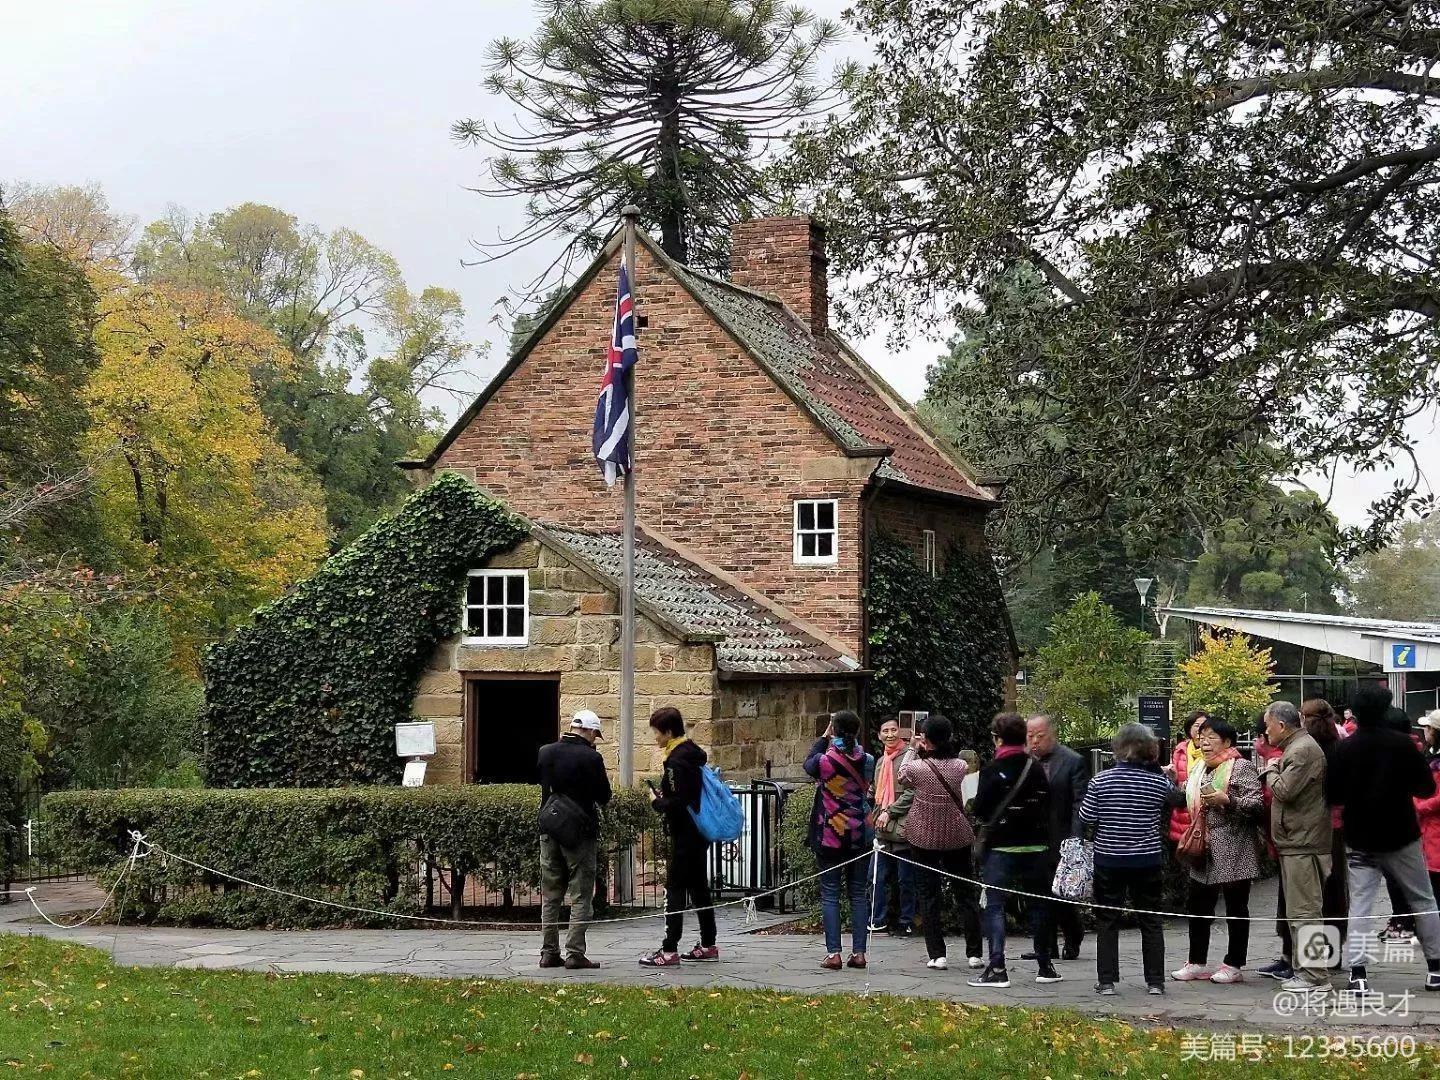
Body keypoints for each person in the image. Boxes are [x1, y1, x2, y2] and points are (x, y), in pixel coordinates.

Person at [1327, 683, 1440, 994]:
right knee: (1422, 898)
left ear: (1357, 713)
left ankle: (1358, 974)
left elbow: (1333, 794)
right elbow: (1426, 789)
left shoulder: (1345, 748)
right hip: (1402, 833)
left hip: (1360, 835)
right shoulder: (1403, 745)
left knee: (1360, 904)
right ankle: (1435, 969)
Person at [1078, 723, 1174, 996]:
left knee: (1107, 919)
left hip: (1109, 858)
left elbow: (1086, 817)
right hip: (1147, 858)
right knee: (1151, 919)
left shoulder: (1101, 781)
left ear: (1118, 748)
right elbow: (1175, 800)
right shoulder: (1158, 782)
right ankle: (1155, 981)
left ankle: (1107, 980)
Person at [966, 712, 1059, 988]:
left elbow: (981, 808)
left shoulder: (993, 770)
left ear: (997, 739)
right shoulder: (1036, 767)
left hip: (1002, 846)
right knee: (1039, 905)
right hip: (1037, 844)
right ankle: (1045, 966)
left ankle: (997, 967)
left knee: (995, 905)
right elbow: (1048, 803)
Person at [1170, 718, 1263, 985]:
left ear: (1227, 742)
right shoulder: (1199, 767)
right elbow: (1185, 798)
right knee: (1198, 906)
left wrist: (1228, 801)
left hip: (1234, 847)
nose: (1205, 742)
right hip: (1203, 847)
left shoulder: (1241, 766)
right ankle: (1196, 961)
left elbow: (1256, 805)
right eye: (1202, 736)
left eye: (1212, 737)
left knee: (1235, 907)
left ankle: (1234, 963)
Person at [1260, 699, 1348, 981]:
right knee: (1299, 912)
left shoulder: (1302, 751)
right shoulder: (1299, 747)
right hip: (1296, 840)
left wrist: (1271, 769)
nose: (1266, 732)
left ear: (1282, 725)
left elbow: (1285, 790)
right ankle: (1305, 972)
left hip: (1304, 842)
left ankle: (1314, 976)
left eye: (1268, 725)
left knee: (1305, 912)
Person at [894, 715, 984, 971]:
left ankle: (937, 954)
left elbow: (902, 775)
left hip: (924, 835)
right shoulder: (960, 766)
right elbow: (970, 792)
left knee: (928, 895)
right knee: (965, 893)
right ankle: (974, 953)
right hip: (956, 833)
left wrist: (912, 747)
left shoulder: (917, 768)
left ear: (927, 740)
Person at [639, 707, 718, 967]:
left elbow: (679, 800)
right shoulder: (692, 752)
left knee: (674, 888)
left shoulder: (676, 760)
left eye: (657, 733)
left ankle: (669, 949)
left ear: (668, 731)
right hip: (699, 831)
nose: (655, 738)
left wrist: (656, 802)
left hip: (685, 833)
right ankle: (708, 943)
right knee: (698, 888)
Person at [537, 710, 613, 969]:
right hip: (579, 832)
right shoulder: (591, 758)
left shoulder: (545, 752)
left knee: (551, 894)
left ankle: (548, 952)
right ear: (590, 732)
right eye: (596, 735)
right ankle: (575, 953)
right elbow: (604, 796)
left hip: (549, 828)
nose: (595, 739)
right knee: (581, 894)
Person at [804, 710, 875, 970]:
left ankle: (833, 953)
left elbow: (808, 762)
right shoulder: (867, 760)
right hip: (859, 835)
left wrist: (824, 738)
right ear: (857, 732)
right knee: (858, 894)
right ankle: (859, 953)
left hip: (831, 833)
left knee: (831, 894)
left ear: (833, 730)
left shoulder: (825, 761)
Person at [1025, 714, 1090, 961]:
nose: (1034, 742)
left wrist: (1076, 838)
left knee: (1062, 894)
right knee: (1038, 893)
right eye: (1029, 736)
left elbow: (1080, 802)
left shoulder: (1073, 761)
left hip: (1061, 837)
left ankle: (1073, 936)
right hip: (1033, 837)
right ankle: (1045, 945)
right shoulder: (1026, 761)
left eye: (1039, 736)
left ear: (1052, 735)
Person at [869, 716, 917, 936]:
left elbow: (911, 792)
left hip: (902, 826)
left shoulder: (909, 757)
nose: (890, 734)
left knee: (905, 879)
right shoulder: (881, 761)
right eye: (885, 731)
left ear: (900, 732)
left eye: (893, 730)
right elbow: (877, 792)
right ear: (879, 735)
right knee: (876, 877)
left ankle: (906, 920)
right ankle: (877, 920)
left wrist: (890, 811)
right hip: (881, 828)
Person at [1166, 712, 1209, 848]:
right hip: (1182, 808)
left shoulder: (1212, 750)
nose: (1200, 729)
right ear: (1189, 729)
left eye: (1204, 725)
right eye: (1197, 725)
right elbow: (1176, 779)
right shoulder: (1180, 750)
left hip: (1203, 808)